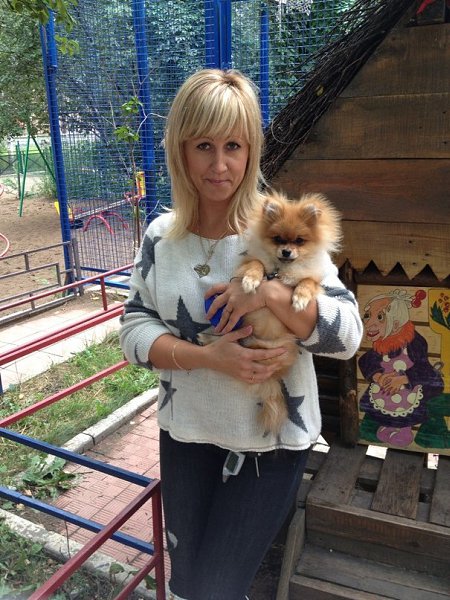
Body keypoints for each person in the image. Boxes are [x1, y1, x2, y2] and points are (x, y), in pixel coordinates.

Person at [119, 68, 363, 600]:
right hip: (187, 434)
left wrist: (270, 293)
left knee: (218, 587)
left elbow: (347, 335)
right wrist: (209, 358)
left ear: (252, 149)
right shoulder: (161, 238)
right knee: (186, 583)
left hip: (269, 445)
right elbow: (134, 328)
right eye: (203, 145)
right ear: (180, 150)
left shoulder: (277, 233)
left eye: (234, 145)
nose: (220, 164)